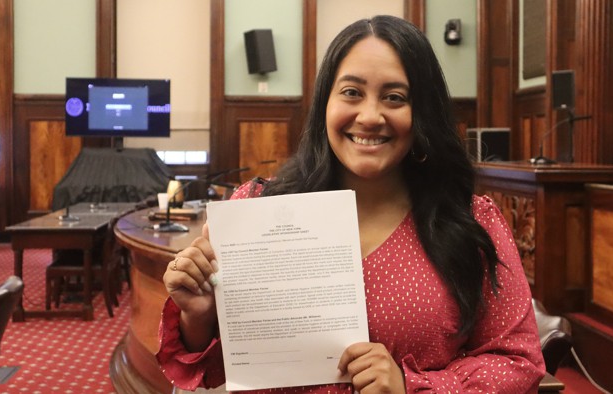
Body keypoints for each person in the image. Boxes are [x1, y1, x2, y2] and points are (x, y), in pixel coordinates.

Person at [158, 15, 545, 393]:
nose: (370, 116)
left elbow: (518, 362)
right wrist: (199, 317)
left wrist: (411, 385)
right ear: (325, 102)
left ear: (422, 112)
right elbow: (218, 370)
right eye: (351, 92)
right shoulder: (256, 209)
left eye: (395, 97)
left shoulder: (471, 220)